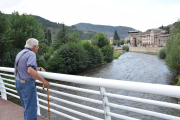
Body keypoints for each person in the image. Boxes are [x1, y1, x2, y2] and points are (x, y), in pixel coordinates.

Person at [14, 38, 50, 120]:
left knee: (27, 108)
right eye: (38, 46)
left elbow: (24, 68)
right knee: (31, 110)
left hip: (18, 83)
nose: (38, 48)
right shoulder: (31, 54)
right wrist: (44, 81)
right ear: (34, 46)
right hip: (27, 85)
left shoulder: (20, 53)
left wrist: (39, 68)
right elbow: (30, 70)